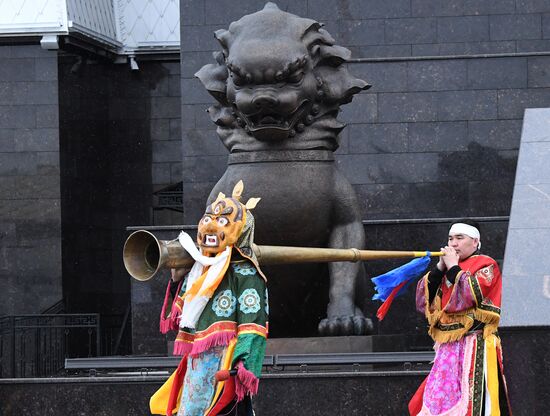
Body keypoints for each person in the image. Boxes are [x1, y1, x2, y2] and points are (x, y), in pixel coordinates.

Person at [150, 181, 267, 416]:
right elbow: (180, 319)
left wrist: (242, 363)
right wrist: (176, 281)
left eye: (223, 220)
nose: (212, 225)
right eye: (209, 218)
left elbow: (252, 324)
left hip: (226, 359)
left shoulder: (246, 272)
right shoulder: (198, 271)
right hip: (198, 358)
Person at [409, 219, 512, 416]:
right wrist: (439, 269)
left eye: (459, 238)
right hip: (449, 347)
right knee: (440, 399)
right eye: (450, 238)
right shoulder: (447, 267)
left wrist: (454, 267)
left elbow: (470, 295)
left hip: (475, 344)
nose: (453, 243)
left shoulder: (486, 264)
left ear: (475, 241)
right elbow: (423, 301)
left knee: (474, 399)